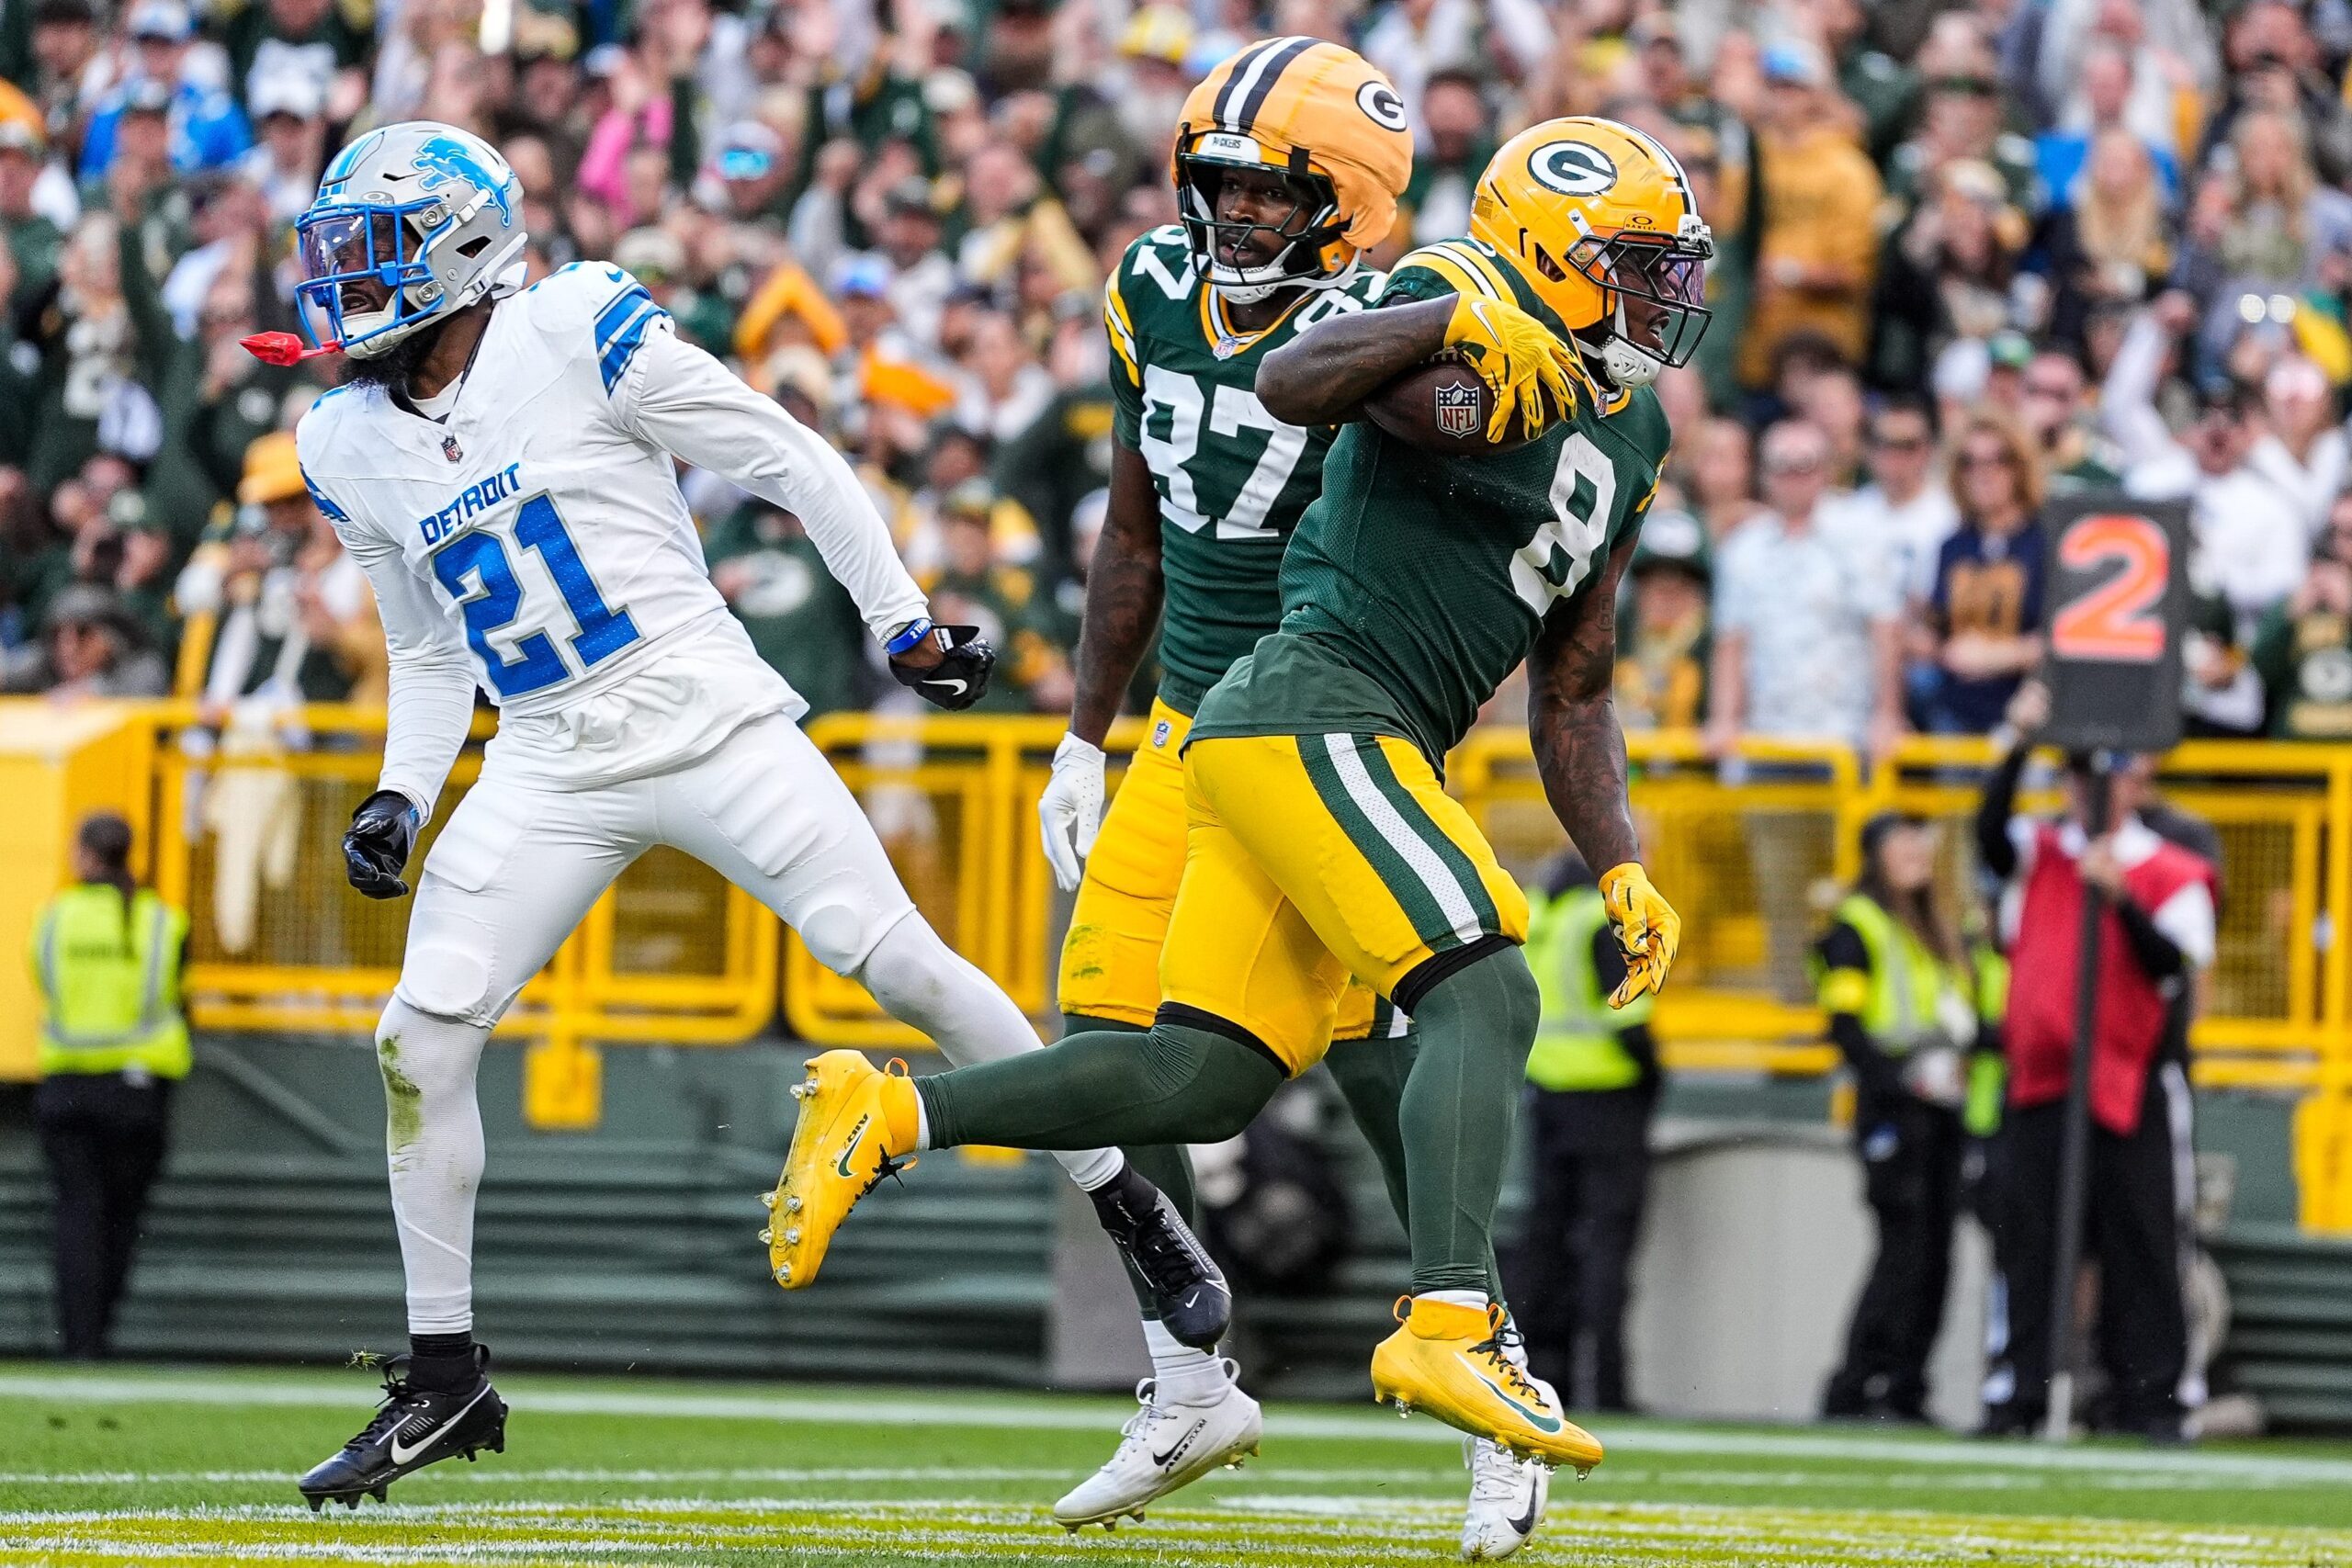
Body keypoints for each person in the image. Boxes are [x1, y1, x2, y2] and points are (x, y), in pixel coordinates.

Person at [283, 122, 1227, 1511]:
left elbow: (788, 456)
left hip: (704, 709)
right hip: (545, 753)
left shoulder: (575, 325)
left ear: (462, 251)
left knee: (897, 963)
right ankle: (442, 1374)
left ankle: (1127, 1202)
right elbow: (428, 650)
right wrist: (401, 791)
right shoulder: (344, 438)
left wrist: (902, 620)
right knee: (418, 1037)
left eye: (371, 254)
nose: (344, 285)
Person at [769, 116, 1704, 1496]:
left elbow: (1575, 688)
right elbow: (1294, 375)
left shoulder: (1639, 426)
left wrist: (1620, 860)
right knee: (1486, 984)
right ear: (1558, 259)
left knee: (1197, 1078)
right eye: (1637, 265)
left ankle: (891, 1114)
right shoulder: (1452, 292)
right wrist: (1457, 320)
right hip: (1319, 701)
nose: (1664, 296)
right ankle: (1453, 1323)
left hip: (1320, 732)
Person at [1026, 39, 1442, 1537]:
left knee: (1375, 1052)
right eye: (1220, 184)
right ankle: (1189, 1371)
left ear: (1350, 205)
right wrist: (1085, 734)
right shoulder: (1150, 285)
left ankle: (1486, 1345)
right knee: (1104, 1025)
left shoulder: (1382, 328)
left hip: (1318, 726)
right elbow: (1134, 528)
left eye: (1272, 193)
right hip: (1183, 726)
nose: (1236, 214)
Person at [1974, 747, 2215, 1439]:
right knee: (2028, 1242)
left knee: (2142, 1242)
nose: (2088, 790)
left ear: (2137, 782)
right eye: (2076, 776)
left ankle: (2149, 1397)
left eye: (2101, 775)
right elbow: (1988, 834)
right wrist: (2018, 742)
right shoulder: (2041, 850)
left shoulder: (2171, 868)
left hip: (2127, 1080)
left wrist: (2122, 899)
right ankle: (2019, 1390)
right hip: (2041, 1078)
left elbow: (2173, 967)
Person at [1815, 813, 1977, 1423]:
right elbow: (1845, 1024)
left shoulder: (1937, 929)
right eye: (1901, 840)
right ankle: (1855, 1386)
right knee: (1902, 1251)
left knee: (1936, 1254)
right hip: (1895, 1110)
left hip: (1944, 1109)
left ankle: (1907, 1386)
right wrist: (1897, 1081)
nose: (1915, 850)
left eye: (1919, 838)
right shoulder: (1859, 925)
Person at [28, 811, 189, 1360]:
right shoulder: (163, 921)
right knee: (121, 1217)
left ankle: (80, 1342)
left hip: (67, 1083)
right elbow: (178, 991)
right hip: (137, 1089)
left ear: (83, 854)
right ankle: (101, 1334)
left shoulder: (55, 918)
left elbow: (44, 980)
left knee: (76, 1213)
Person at [1504, 851, 1659, 1415]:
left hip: (1548, 1098)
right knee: (1607, 1248)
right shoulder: (1603, 922)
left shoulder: (1541, 916)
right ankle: (1609, 1390)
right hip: (1608, 1101)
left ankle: (1543, 1379)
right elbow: (1629, 1024)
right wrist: (1653, 1084)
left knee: (1547, 1243)